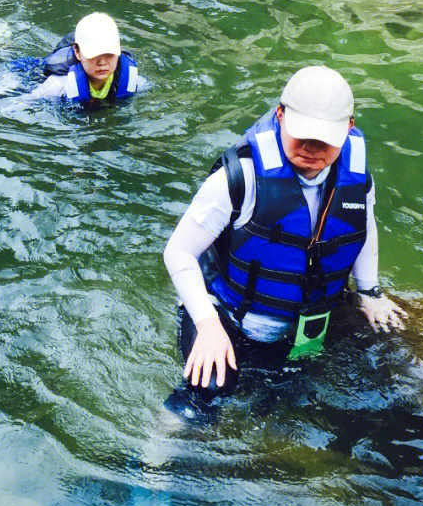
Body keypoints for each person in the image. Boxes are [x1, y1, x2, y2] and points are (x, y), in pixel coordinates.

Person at [164, 65, 405, 398]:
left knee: (393, 359)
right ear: (280, 115)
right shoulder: (241, 177)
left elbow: (361, 227)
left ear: (349, 128)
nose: (311, 147)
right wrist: (207, 325)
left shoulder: (358, 179)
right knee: (207, 387)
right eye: (302, 134)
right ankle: (156, 448)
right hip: (231, 314)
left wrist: (370, 293)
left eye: (324, 139)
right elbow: (178, 251)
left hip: (309, 319)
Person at [26, 12, 141, 106]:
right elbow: (23, 103)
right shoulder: (58, 85)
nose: (102, 63)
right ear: (77, 52)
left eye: (109, 54)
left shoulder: (133, 79)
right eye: (94, 54)